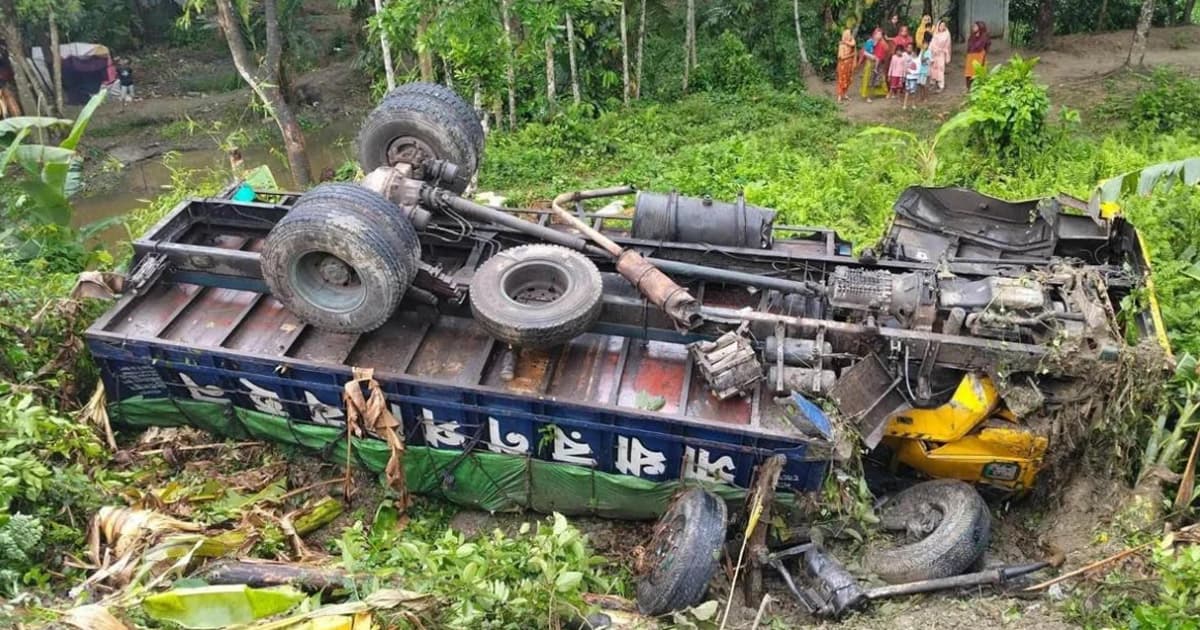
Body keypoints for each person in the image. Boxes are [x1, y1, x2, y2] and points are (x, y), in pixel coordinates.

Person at [859, 28, 888, 102]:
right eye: (878, 34)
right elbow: (864, 52)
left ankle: (884, 92)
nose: (879, 35)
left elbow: (886, 50)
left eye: (881, 34)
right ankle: (867, 96)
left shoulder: (881, 42)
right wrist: (871, 56)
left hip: (878, 63)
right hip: (870, 62)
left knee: (880, 78)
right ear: (874, 34)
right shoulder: (869, 42)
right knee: (869, 79)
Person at [966, 21, 990, 90]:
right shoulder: (972, 36)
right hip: (970, 57)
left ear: (980, 28)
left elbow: (985, 47)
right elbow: (969, 46)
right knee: (969, 74)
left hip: (979, 57)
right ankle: (969, 89)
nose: (973, 28)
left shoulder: (984, 37)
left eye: (975, 26)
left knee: (978, 73)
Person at [929, 20, 952, 92]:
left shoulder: (947, 34)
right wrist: (930, 53)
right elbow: (931, 44)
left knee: (941, 69)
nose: (942, 27)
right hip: (934, 54)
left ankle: (941, 85)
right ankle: (933, 83)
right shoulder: (935, 34)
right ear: (938, 26)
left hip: (941, 54)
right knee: (933, 69)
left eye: (944, 25)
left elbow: (948, 46)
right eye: (941, 25)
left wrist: (946, 55)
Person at [836, 29, 858, 103]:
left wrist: (846, 41)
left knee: (848, 80)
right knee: (842, 80)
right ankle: (839, 96)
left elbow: (853, 43)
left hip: (849, 66)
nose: (850, 36)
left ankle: (844, 94)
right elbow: (841, 57)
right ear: (845, 36)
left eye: (850, 35)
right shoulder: (842, 45)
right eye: (849, 35)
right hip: (843, 66)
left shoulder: (850, 43)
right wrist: (851, 55)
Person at [903, 44, 921, 110]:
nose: (913, 53)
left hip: (914, 78)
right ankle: (905, 104)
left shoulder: (918, 61)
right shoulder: (910, 59)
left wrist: (911, 72)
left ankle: (913, 104)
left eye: (914, 52)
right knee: (907, 91)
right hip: (908, 77)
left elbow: (918, 70)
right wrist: (906, 72)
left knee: (913, 92)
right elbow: (906, 67)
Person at [917, 32, 933, 101]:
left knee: (925, 85)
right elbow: (920, 60)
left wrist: (923, 53)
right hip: (920, 70)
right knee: (920, 84)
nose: (924, 45)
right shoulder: (921, 51)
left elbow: (923, 60)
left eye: (926, 44)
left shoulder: (928, 52)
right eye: (924, 44)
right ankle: (921, 97)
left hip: (926, 71)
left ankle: (926, 97)